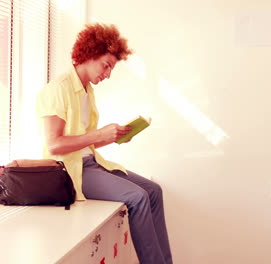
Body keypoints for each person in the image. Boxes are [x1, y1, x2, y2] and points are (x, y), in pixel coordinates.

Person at [36, 23, 173, 264]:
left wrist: (113, 137)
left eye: (111, 68)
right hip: (70, 172)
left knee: (153, 191)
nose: (108, 74)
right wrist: (99, 135)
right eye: (106, 65)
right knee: (137, 197)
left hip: (90, 164)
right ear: (88, 55)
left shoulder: (87, 91)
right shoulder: (57, 89)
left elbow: (83, 142)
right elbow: (55, 145)